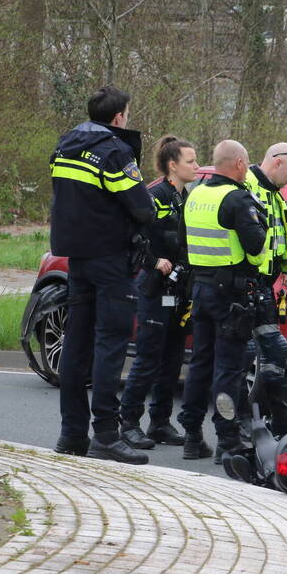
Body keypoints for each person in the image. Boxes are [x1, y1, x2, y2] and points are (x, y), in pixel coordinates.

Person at [49, 85, 155, 465]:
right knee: (110, 346)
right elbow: (141, 207)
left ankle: (71, 434)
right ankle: (107, 435)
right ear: (118, 117)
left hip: (77, 258)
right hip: (111, 260)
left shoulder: (65, 145)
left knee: (76, 346)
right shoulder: (114, 151)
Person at [177, 140, 267, 462]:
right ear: (241, 164)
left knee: (200, 363)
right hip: (230, 295)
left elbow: (184, 242)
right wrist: (262, 216)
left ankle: (191, 435)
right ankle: (227, 439)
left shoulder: (196, 195)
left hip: (200, 289)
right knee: (228, 368)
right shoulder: (237, 199)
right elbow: (256, 246)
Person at [118, 136, 200, 450]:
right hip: (154, 289)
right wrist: (154, 261)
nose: (195, 166)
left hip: (180, 291)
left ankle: (160, 422)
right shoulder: (153, 195)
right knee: (147, 358)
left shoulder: (188, 196)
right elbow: (134, 238)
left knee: (173, 358)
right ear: (172, 165)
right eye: (190, 161)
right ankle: (128, 424)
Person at [241, 143, 287, 435]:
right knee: (245, 355)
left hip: (266, 284)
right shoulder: (247, 186)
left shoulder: (274, 193)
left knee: (276, 351)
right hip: (243, 285)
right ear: (276, 163)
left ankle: (278, 417)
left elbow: (283, 231)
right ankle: (241, 421)